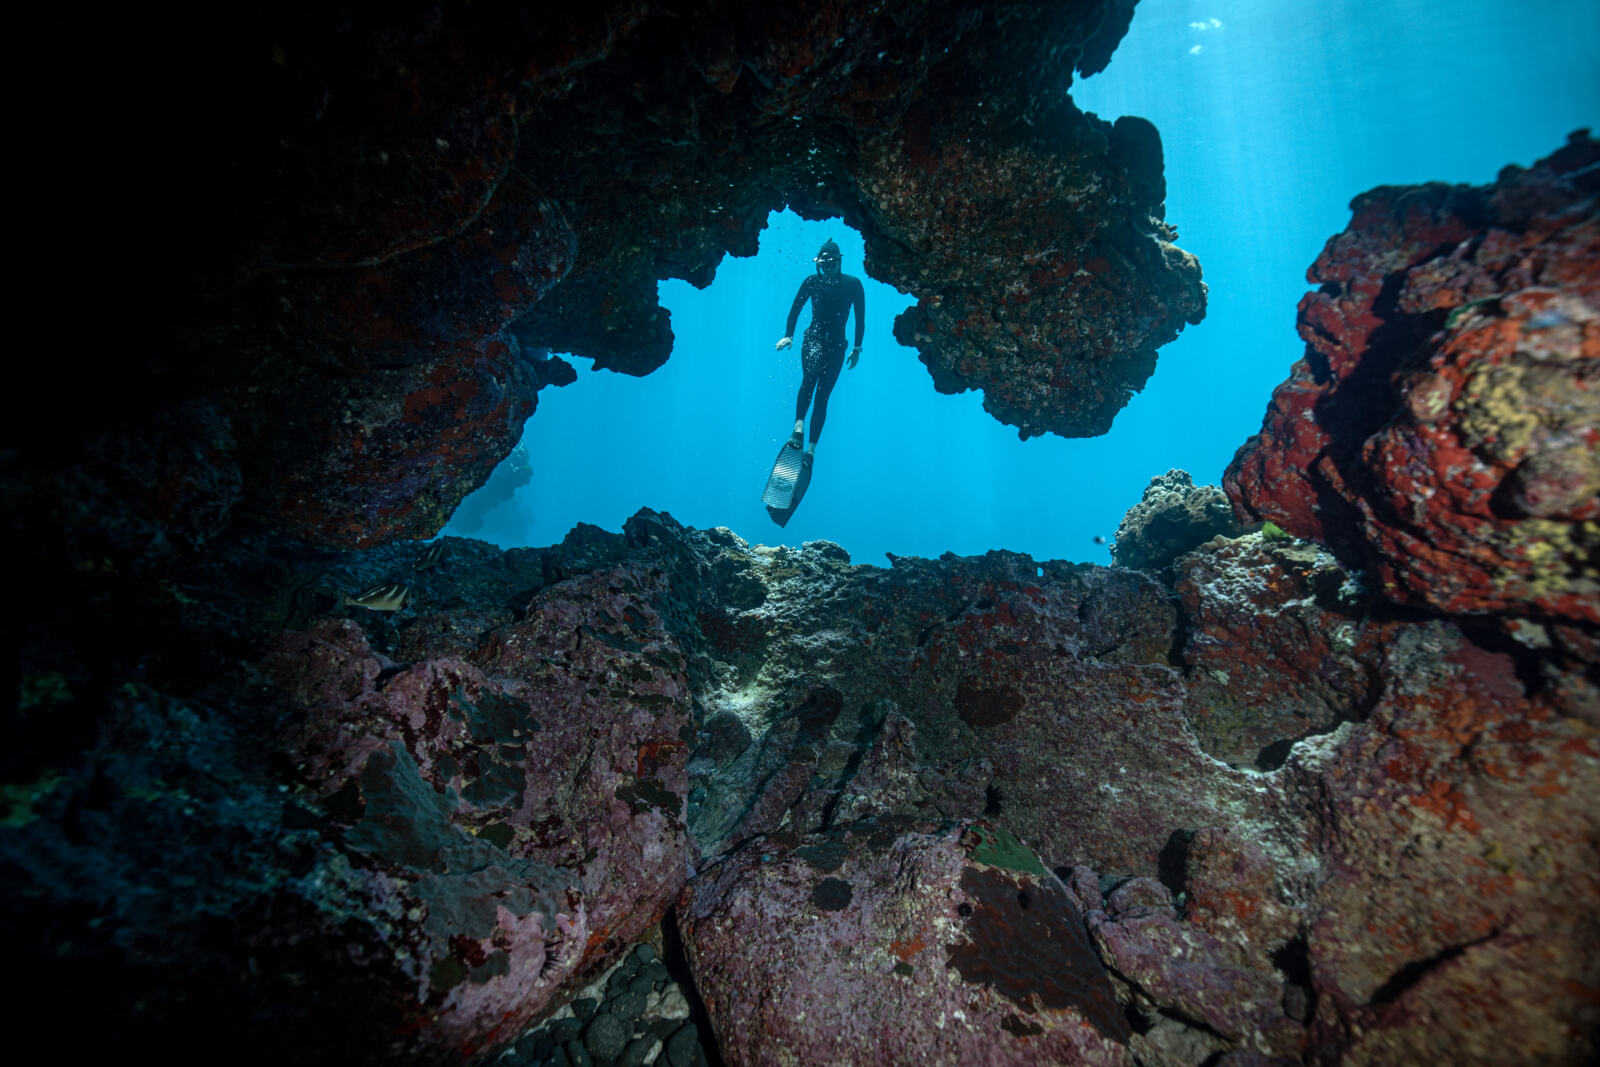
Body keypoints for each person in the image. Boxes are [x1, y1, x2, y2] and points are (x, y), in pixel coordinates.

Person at [774, 239, 865, 471]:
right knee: (809, 379)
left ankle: (811, 451)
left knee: (823, 396)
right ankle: (798, 430)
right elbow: (795, 309)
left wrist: (857, 348)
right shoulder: (812, 282)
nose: (828, 268)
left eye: (832, 264)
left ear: (839, 262)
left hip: (837, 347)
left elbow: (860, 319)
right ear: (819, 264)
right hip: (812, 341)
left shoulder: (853, 285)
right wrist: (788, 335)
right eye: (824, 264)